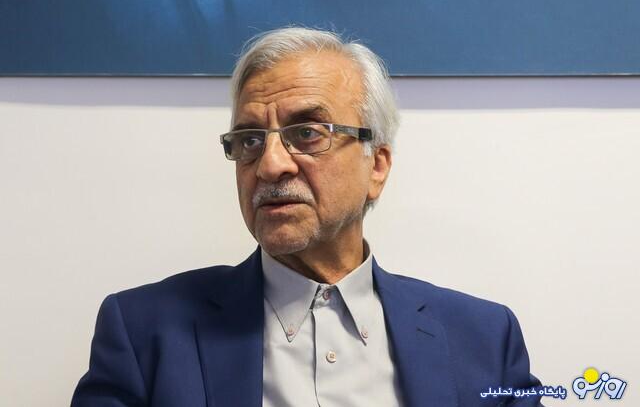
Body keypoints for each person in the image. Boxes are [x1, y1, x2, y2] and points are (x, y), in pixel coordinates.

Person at [72, 27, 542, 407]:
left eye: (307, 133)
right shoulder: (143, 332)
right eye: (250, 140)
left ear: (376, 165)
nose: (270, 164)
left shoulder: (483, 338)